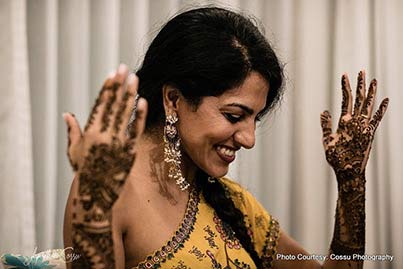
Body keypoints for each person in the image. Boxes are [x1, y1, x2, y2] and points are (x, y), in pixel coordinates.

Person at [62, 7, 389, 269]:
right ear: (174, 99)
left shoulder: (232, 203)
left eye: (255, 119)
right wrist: (92, 209)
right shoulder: (106, 191)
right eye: (234, 116)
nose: (249, 139)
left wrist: (351, 186)